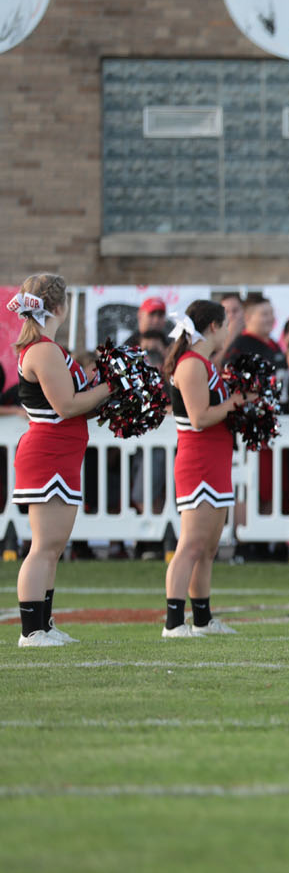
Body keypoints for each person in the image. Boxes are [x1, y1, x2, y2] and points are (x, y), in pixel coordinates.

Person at [9, 275, 113, 647]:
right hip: (48, 452)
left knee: (54, 546)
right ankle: (31, 631)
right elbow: (66, 406)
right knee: (43, 545)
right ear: (59, 307)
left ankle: (44, 624)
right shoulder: (43, 350)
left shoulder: (50, 348)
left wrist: (103, 389)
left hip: (62, 452)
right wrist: (111, 387)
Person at [161, 300, 250, 637]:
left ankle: (202, 619)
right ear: (213, 326)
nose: (227, 331)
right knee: (192, 544)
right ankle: (173, 622)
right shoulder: (191, 364)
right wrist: (234, 403)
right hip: (197, 460)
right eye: (225, 324)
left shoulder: (207, 365)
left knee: (209, 547)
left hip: (216, 460)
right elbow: (199, 418)